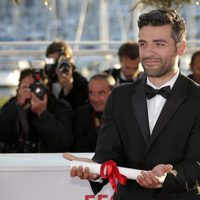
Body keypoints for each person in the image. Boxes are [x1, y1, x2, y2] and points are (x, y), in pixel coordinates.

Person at [64, 7, 200, 199]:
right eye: (143, 44)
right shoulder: (119, 96)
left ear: (180, 48)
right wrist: (95, 171)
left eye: (159, 44)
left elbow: (197, 165)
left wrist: (167, 178)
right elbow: (107, 155)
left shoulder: (197, 98)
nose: (148, 52)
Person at [0, 68, 74, 153]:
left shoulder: (59, 106)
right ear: (18, 90)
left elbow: (64, 143)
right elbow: (2, 134)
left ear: (46, 89)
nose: (32, 92)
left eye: (36, 87)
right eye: (26, 87)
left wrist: (42, 113)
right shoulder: (13, 105)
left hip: (47, 161)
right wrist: (17, 107)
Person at [73, 73, 116, 152]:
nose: (95, 99)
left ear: (113, 93)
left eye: (101, 93)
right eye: (91, 93)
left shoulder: (125, 116)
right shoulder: (81, 115)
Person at [45, 40, 88, 110]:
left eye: (60, 62)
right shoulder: (48, 81)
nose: (57, 67)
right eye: (52, 62)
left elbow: (81, 110)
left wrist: (67, 89)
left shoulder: (81, 83)